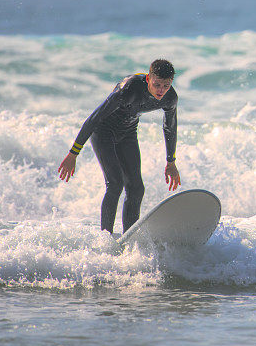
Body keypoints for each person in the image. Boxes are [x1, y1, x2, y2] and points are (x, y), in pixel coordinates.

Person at [58, 59, 180, 235]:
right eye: (157, 84)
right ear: (148, 79)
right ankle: (105, 237)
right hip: (103, 132)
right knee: (115, 184)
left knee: (136, 188)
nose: (161, 90)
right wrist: (73, 153)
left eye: (166, 85)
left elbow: (170, 127)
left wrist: (171, 162)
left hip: (128, 133)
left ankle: (128, 236)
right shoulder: (128, 89)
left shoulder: (170, 98)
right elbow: (94, 118)